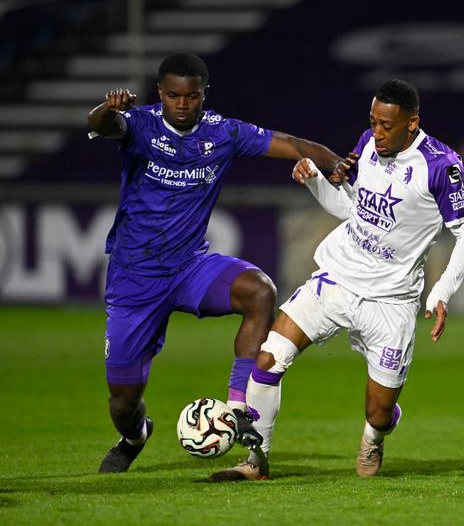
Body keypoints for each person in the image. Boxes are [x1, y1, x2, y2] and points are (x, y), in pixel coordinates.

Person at [208, 79, 464, 481]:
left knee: (379, 412)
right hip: (337, 278)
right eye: (373, 121)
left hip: (392, 300)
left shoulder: (442, 165)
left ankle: (378, 432)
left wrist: (441, 291)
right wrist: (316, 181)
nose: (378, 132)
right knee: (268, 359)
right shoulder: (368, 143)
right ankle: (256, 462)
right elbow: (352, 209)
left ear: (412, 122)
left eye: (387, 124)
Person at [88, 52, 347, 473]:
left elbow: (291, 144)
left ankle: (236, 405)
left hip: (190, 266)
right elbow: (101, 125)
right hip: (135, 279)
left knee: (259, 291)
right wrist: (107, 108)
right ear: (161, 94)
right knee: (122, 400)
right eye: (173, 95)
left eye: (191, 96)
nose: (182, 104)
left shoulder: (223, 132)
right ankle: (135, 435)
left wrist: (330, 159)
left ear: (204, 94)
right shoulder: (139, 124)